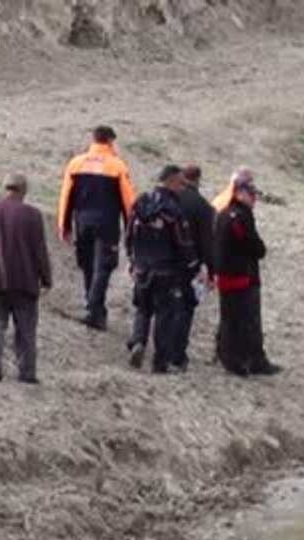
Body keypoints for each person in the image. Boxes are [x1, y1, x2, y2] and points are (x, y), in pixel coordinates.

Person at [0, 173, 52, 384]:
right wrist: (46, 278)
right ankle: (27, 372)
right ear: (24, 191)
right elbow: (39, 250)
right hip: (25, 280)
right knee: (26, 329)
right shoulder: (33, 215)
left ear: (5, 187)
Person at [57, 125, 136, 331]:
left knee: (87, 264)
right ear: (110, 141)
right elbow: (128, 201)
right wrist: (132, 226)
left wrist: (64, 225)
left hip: (82, 221)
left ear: (93, 139)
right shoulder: (117, 166)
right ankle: (93, 306)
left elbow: (66, 196)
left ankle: (95, 310)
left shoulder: (76, 163)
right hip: (107, 223)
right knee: (104, 266)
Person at [125, 165, 196, 373]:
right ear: (171, 182)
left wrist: (132, 259)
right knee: (165, 315)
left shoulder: (141, 203)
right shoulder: (173, 210)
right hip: (166, 270)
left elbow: (129, 234)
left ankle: (138, 341)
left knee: (143, 308)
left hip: (142, 267)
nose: (183, 188)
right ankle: (160, 362)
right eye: (181, 183)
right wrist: (191, 264)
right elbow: (183, 242)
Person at [213, 170, 282, 377]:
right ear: (239, 192)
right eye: (251, 194)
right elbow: (252, 245)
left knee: (229, 319)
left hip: (227, 275)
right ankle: (242, 361)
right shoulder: (239, 216)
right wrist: (260, 248)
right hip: (241, 276)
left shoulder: (223, 213)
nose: (254, 199)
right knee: (245, 321)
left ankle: (230, 357)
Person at [175, 165, 215, 370]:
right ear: (198, 179)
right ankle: (178, 355)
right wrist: (211, 270)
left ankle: (158, 349)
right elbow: (208, 242)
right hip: (191, 263)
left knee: (165, 307)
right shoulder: (204, 207)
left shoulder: (171, 198)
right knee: (185, 308)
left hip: (165, 260)